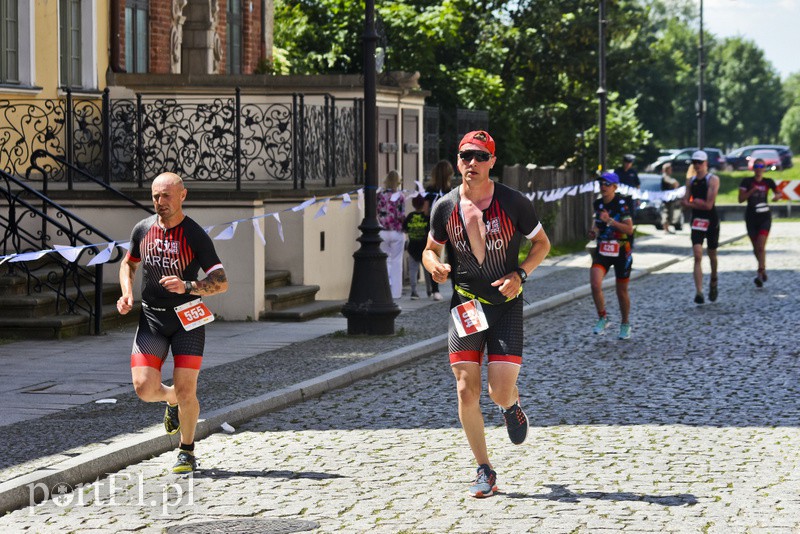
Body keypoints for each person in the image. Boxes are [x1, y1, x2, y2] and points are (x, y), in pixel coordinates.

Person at [423, 130, 551, 498]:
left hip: (506, 305)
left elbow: (542, 244)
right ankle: (484, 469)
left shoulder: (513, 203)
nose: (472, 163)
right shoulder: (445, 206)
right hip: (466, 303)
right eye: (466, 156)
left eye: (480, 156)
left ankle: (511, 405)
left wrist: (521, 273)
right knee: (466, 389)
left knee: (498, 390)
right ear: (458, 160)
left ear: (493, 161)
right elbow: (430, 249)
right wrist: (434, 265)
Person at [117, 172, 229, 473]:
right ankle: (171, 401)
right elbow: (128, 264)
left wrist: (189, 285)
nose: (160, 202)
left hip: (187, 320)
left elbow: (221, 282)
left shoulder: (194, 234)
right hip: (152, 318)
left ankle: (187, 450)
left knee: (186, 389)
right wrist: (127, 294)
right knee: (143, 388)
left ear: (182, 195)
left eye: (166, 195)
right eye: (155, 196)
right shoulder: (142, 230)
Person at [588, 171, 635, 340]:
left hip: (622, 250)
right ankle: (603, 317)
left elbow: (629, 229)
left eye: (607, 184)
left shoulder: (622, 204)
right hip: (603, 250)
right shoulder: (598, 204)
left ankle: (625, 323)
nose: (603, 187)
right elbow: (598, 224)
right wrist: (594, 231)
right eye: (601, 184)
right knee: (594, 283)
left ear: (615, 187)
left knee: (621, 291)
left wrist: (610, 221)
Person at [681, 150, 720, 304]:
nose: (697, 165)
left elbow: (709, 205)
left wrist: (692, 203)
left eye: (699, 162)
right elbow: (685, 202)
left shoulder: (713, 180)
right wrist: (693, 203)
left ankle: (714, 279)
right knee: (697, 255)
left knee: (712, 254)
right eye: (694, 162)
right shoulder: (690, 181)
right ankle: (699, 292)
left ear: (706, 164)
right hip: (697, 220)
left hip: (711, 220)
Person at [738, 157, 782, 287]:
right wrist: (751, 191)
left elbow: (778, 193)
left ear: (764, 168)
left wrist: (776, 197)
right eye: (756, 167)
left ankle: (759, 272)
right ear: (753, 168)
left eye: (761, 167)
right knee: (755, 248)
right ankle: (763, 269)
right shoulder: (747, 181)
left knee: (761, 246)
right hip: (751, 217)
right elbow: (740, 199)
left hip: (764, 217)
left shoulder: (768, 181)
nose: (759, 169)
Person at [424, 160, 455, 301]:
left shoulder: (429, 190)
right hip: (450, 226)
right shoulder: (452, 191)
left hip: (433, 226)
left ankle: (435, 290)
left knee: (434, 257)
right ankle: (456, 288)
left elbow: (425, 211)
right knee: (454, 258)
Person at [377, 170, 406, 299]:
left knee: (385, 261)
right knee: (396, 262)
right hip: (396, 232)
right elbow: (401, 215)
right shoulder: (400, 196)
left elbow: (377, 211)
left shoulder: (379, 195)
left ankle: (384, 289)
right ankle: (396, 293)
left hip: (382, 231)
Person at [403, 194, 431, 300]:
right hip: (424, 248)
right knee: (427, 270)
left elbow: (404, 229)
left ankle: (414, 291)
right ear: (423, 204)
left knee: (413, 270)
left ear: (413, 204)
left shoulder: (410, 216)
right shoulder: (426, 217)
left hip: (412, 247)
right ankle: (429, 290)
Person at [660, 162, 680, 234]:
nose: (671, 170)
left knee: (670, 213)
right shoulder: (665, 176)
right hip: (666, 198)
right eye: (670, 169)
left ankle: (667, 228)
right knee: (666, 213)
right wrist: (674, 183)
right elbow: (674, 183)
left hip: (670, 198)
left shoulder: (668, 177)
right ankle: (666, 229)